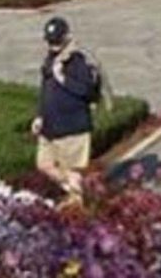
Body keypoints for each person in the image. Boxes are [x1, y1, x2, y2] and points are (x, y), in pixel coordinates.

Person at [32, 16, 103, 203]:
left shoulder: (78, 60)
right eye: (50, 41)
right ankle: (75, 188)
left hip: (72, 126)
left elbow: (86, 90)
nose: (53, 45)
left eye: (56, 41)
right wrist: (39, 115)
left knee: (72, 171)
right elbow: (45, 88)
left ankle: (79, 208)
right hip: (50, 126)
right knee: (44, 164)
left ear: (66, 37)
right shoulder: (51, 58)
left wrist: (63, 78)